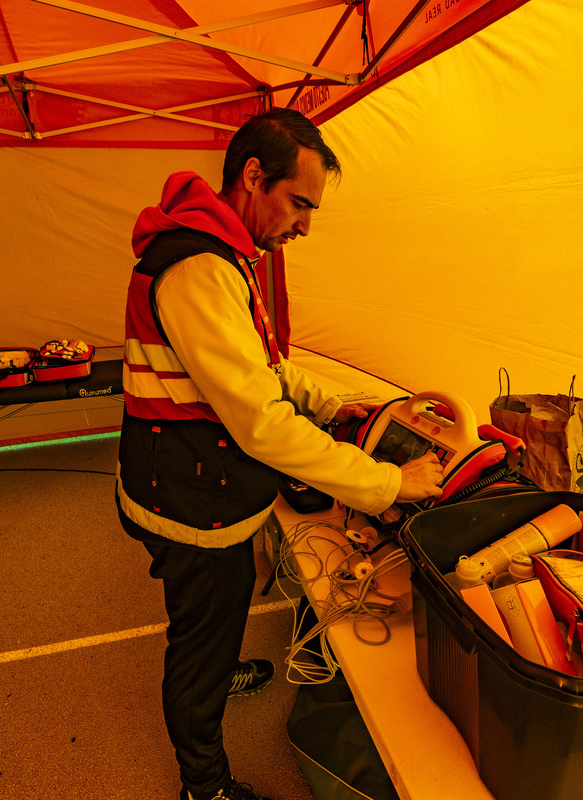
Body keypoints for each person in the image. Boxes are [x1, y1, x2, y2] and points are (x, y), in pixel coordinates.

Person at [115, 108, 444, 800]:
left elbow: (262, 365)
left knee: (219, 603)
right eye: (299, 204)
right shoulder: (200, 267)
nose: (304, 225)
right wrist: (386, 483)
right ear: (253, 177)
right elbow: (261, 421)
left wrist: (329, 404)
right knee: (201, 629)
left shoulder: (221, 251)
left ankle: (214, 665)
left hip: (196, 487)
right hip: (189, 500)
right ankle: (203, 784)